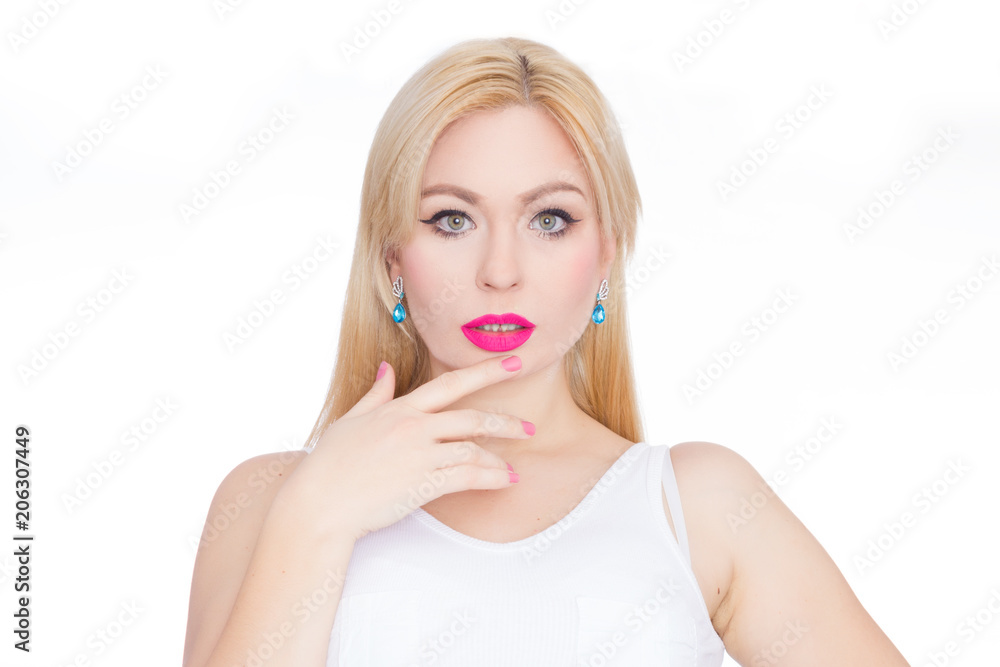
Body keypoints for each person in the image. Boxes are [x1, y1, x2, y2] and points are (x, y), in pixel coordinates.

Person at [183, 36, 910, 666]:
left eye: (550, 219)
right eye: (452, 219)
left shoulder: (696, 505)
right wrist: (316, 515)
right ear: (391, 257)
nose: (501, 271)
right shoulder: (270, 500)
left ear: (606, 256)